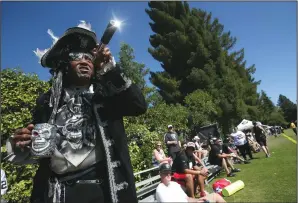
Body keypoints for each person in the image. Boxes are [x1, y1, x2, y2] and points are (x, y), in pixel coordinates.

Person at [5, 24, 147, 203]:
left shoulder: (107, 95)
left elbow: (139, 106)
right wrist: (22, 143)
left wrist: (110, 69)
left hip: (103, 192)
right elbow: (39, 151)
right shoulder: (47, 101)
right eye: (76, 57)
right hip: (58, 194)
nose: (84, 60)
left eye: (89, 57)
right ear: (64, 65)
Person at [156, 163, 226, 203]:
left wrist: (198, 200)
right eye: (165, 173)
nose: (168, 175)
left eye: (169, 172)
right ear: (160, 174)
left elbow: (187, 199)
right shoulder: (160, 189)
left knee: (215, 196)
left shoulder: (175, 184)